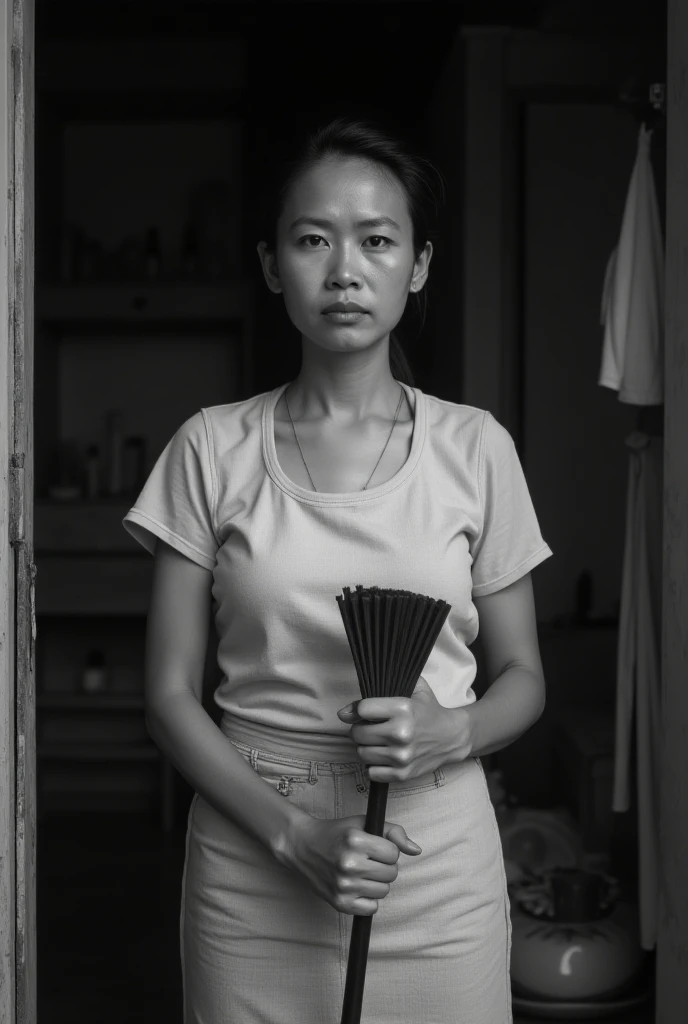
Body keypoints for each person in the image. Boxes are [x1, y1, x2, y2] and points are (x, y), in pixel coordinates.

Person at [122, 115, 553, 1024]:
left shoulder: (476, 448)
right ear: (275, 266)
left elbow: (523, 680)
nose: (345, 268)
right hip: (254, 851)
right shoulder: (211, 447)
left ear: (419, 265)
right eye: (313, 239)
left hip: (432, 862)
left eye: (377, 240)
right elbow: (166, 693)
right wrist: (290, 834)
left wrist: (451, 731)